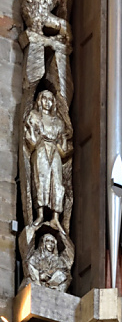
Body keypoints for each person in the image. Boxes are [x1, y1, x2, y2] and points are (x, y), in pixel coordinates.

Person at [24, 89, 71, 226]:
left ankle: (56, 218)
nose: (47, 103)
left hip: (55, 150)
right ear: (40, 100)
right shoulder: (34, 116)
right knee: (41, 179)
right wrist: (32, 131)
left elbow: (63, 149)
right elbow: (31, 141)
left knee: (57, 181)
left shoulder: (58, 122)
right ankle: (40, 215)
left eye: (50, 100)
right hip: (41, 148)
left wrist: (63, 139)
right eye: (45, 99)